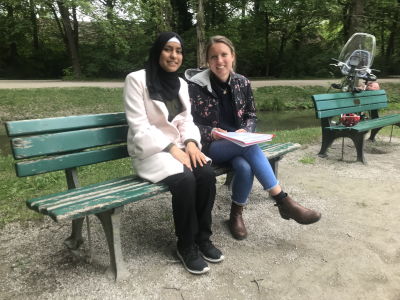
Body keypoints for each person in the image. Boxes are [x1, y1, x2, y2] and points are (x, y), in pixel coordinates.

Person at [186, 35, 321, 240]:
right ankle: (283, 200)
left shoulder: (242, 82)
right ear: (207, 61)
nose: (219, 61)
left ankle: (236, 215)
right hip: (211, 146)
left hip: (238, 143)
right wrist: (213, 132)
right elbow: (188, 123)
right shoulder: (196, 86)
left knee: (245, 166)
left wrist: (246, 131)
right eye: (214, 57)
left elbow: (251, 114)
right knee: (249, 147)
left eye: (224, 55)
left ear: (232, 56)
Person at [123, 32, 224, 275]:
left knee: (206, 174)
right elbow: (140, 127)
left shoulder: (180, 84)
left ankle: (202, 238)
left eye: (178, 51)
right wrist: (171, 149)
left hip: (178, 148)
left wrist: (189, 143)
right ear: (158, 51)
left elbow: (185, 120)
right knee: (185, 179)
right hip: (151, 151)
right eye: (168, 49)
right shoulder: (136, 80)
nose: (174, 55)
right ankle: (186, 245)